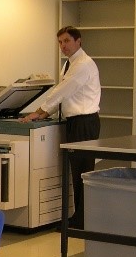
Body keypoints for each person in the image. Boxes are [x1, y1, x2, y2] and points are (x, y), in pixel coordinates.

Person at [19, 25, 101, 229]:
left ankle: (82, 220)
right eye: (60, 42)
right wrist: (44, 114)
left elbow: (62, 92)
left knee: (83, 172)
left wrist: (39, 112)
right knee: (75, 172)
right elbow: (65, 97)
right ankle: (78, 216)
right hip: (74, 122)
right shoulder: (69, 64)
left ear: (78, 41)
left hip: (84, 123)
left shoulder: (83, 64)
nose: (63, 46)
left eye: (66, 41)